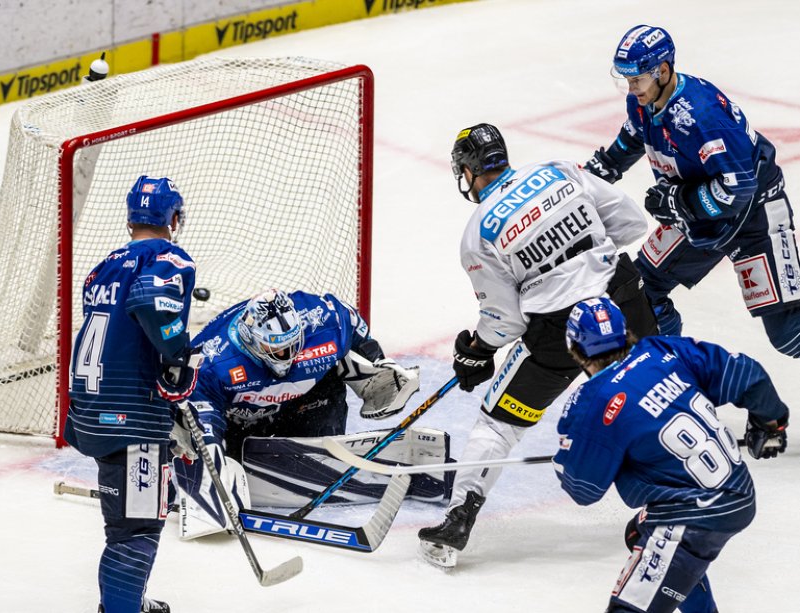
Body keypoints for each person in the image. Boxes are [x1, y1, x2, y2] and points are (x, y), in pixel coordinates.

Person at [417, 123, 659, 568]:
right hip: (623, 301)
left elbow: (505, 321)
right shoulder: (558, 171)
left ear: (469, 172)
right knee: (650, 401)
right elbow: (630, 223)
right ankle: (674, 501)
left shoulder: (478, 233)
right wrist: (587, 263)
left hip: (559, 334)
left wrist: (478, 349)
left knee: (498, 424)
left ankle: (459, 519)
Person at [554, 296, 789, 612]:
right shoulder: (665, 350)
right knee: (639, 531)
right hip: (738, 492)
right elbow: (745, 373)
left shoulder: (595, 400)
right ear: (625, 332)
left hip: (694, 514)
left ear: (575, 350)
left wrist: (565, 460)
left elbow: (583, 488)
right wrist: (770, 423)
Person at [585, 24, 800, 357]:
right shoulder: (646, 102)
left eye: (637, 79)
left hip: (754, 215)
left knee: (789, 334)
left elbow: (738, 188)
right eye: (627, 80)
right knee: (641, 292)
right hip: (700, 215)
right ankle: (671, 367)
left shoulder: (702, 116)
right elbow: (632, 138)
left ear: (664, 70)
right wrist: (592, 178)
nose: (632, 89)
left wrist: (678, 201)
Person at [172, 288, 423, 533]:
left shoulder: (324, 318)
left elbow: (353, 323)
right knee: (202, 437)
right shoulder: (212, 360)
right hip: (239, 420)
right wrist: (212, 458)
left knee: (329, 383)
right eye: (277, 350)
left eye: (293, 345)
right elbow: (205, 416)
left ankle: (319, 454)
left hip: (299, 404)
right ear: (251, 341)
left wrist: (377, 360)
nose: (288, 356)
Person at [65, 176, 203, 613]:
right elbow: (149, 302)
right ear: (173, 218)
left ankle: (126, 603)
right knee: (136, 531)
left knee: (126, 524)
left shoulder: (104, 265)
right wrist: (178, 358)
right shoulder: (170, 257)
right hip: (131, 419)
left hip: (92, 410)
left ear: (130, 219)